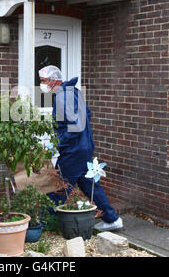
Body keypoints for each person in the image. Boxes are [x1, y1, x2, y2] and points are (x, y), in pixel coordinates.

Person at [38, 65, 123, 231]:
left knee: (58, 185)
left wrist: (58, 143)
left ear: (54, 80)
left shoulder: (62, 97)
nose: (41, 84)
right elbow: (87, 115)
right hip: (84, 147)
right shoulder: (74, 92)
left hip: (73, 151)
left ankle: (46, 223)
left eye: (43, 81)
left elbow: (75, 126)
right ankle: (112, 219)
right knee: (89, 184)